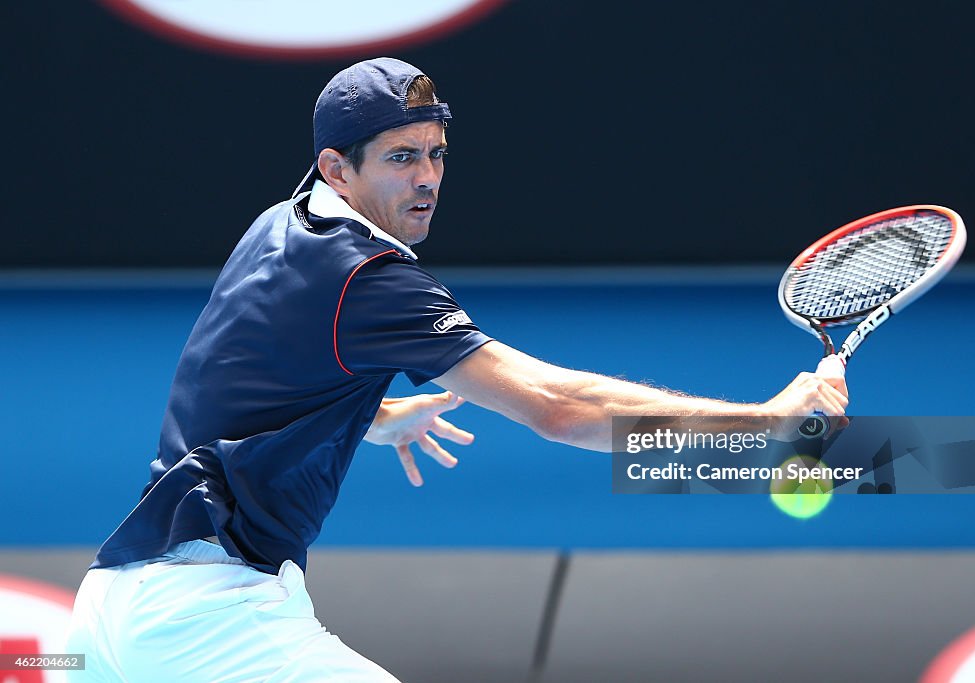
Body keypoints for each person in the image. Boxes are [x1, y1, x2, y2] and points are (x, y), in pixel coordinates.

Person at [65, 57, 848, 681]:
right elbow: (557, 405)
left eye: (436, 154)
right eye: (402, 158)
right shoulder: (371, 282)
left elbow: (250, 364)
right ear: (337, 168)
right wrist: (765, 422)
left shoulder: (280, 224)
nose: (428, 178)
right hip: (205, 619)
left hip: (107, 613)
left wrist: (362, 413)